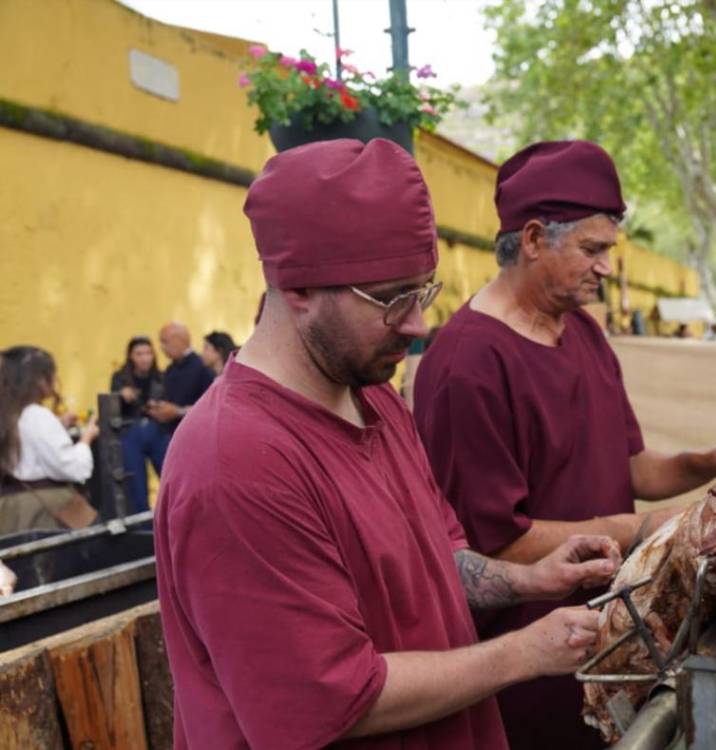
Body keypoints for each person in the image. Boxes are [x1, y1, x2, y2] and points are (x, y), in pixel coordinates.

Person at [155, 138, 622, 749]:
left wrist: (530, 580)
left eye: (422, 292)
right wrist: (524, 653)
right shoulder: (237, 461)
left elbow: (438, 561)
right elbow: (334, 698)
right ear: (297, 287)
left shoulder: (373, 396)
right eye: (390, 298)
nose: (418, 323)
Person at [413, 139, 716, 750]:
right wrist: (645, 530)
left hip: (613, 633)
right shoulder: (467, 363)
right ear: (533, 240)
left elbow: (632, 466)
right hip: (530, 659)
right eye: (593, 249)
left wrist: (709, 461)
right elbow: (497, 541)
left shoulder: (580, 329)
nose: (607, 268)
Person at [0, 346, 99, 534]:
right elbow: (69, 467)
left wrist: (57, 426)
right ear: (39, 379)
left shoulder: (9, 414)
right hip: (39, 509)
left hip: (8, 509)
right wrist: (86, 439)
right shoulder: (36, 414)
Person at [111, 336, 168, 513]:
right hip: (130, 432)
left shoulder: (161, 377)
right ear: (130, 357)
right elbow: (111, 410)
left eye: (148, 353)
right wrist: (120, 395)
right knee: (136, 486)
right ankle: (143, 527)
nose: (145, 358)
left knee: (170, 476)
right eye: (139, 353)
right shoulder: (120, 378)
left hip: (157, 431)